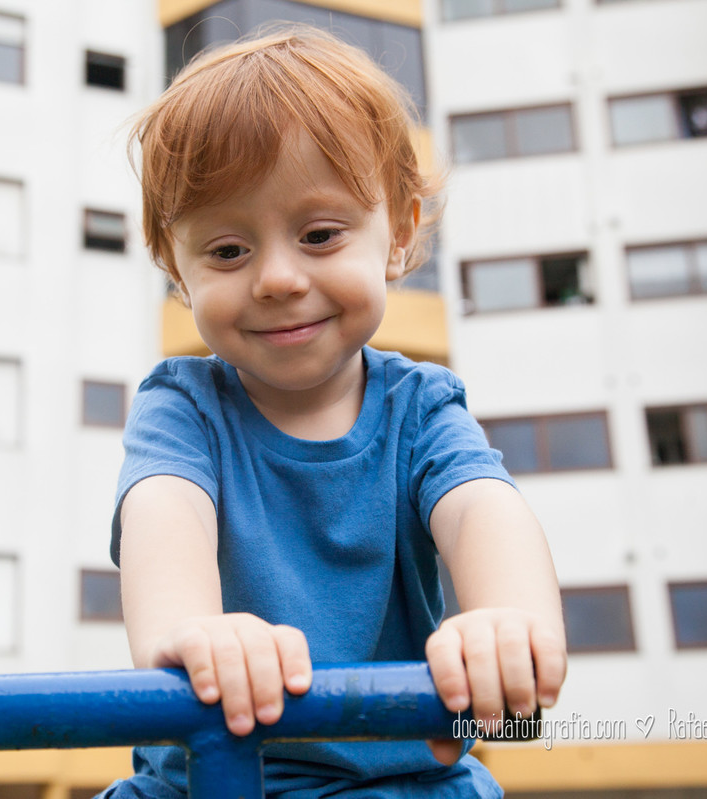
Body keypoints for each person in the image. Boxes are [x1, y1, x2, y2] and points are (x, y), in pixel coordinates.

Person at [102, 26, 566, 799]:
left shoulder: (421, 409)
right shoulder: (183, 409)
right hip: (209, 773)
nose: (278, 278)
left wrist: (508, 619)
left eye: (319, 235)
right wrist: (190, 629)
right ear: (174, 270)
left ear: (401, 233)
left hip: (407, 776)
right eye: (226, 251)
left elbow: (482, 508)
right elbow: (163, 514)